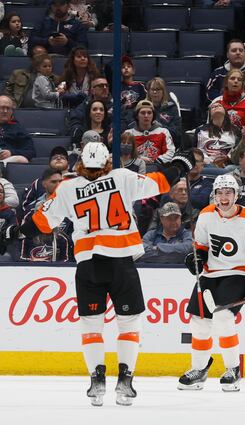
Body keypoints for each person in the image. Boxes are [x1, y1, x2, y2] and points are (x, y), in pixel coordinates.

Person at [0, 142, 191, 406]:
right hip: (121, 261)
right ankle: (125, 381)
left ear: (80, 165)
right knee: (129, 323)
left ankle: (96, 381)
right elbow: (160, 182)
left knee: (91, 324)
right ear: (106, 163)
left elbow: (38, 224)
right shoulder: (122, 178)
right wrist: (181, 165)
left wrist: (10, 232)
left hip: (89, 263)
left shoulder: (67, 187)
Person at [179, 173, 245, 392]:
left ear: (236, 195)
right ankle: (199, 369)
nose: (224, 197)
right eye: (220, 193)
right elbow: (201, 247)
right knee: (199, 322)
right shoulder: (205, 215)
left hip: (240, 273)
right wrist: (195, 259)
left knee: (223, 317)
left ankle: (233, 369)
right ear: (214, 195)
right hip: (211, 274)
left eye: (228, 192)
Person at [124, 100, 176, 166]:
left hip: (157, 168)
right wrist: (140, 159)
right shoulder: (128, 133)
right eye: (143, 113)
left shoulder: (163, 132)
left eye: (149, 113)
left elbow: (171, 152)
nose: (146, 116)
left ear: (153, 115)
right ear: (137, 115)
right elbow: (124, 154)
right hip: (134, 169)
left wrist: (154, 161)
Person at [193, 101, 241, 172]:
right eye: (213, 107)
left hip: (228, 166)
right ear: (210, 114)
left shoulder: (235, 130)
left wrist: (228, 158)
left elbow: (239, 150)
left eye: (219, 106)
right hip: (206, 165)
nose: (216, 107)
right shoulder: (200, 130)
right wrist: (208, 162)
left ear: (225, 112)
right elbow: (195, 150)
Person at [144, 77, 182, 146]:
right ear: (149, 92)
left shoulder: (171, 108)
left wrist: (160, 127)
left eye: (158, 89)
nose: (155, 92)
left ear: (163, 91)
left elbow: (177, 134)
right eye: (152, 89)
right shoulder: (143, 108)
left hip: (165, 145)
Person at [0, 94, 35, 164]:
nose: (5, 111)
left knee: (22, 159)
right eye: (2, 108)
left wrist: (11, 152)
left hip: (8, 162)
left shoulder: (18, 129)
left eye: (8, 108)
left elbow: (31, 152)